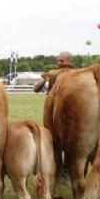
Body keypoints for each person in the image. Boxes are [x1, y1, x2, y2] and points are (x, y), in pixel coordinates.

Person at [34, 52, 74, 184]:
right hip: (52, 113)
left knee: (69, 144)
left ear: (70, 61)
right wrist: (45, 78)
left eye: (62, 61)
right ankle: (59, 170)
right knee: (54, 142)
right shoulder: (52, 74)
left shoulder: (76, 74)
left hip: (68, 114)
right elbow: (36, 88)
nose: (59, 63)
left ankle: (66, 172)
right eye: (59, 61)